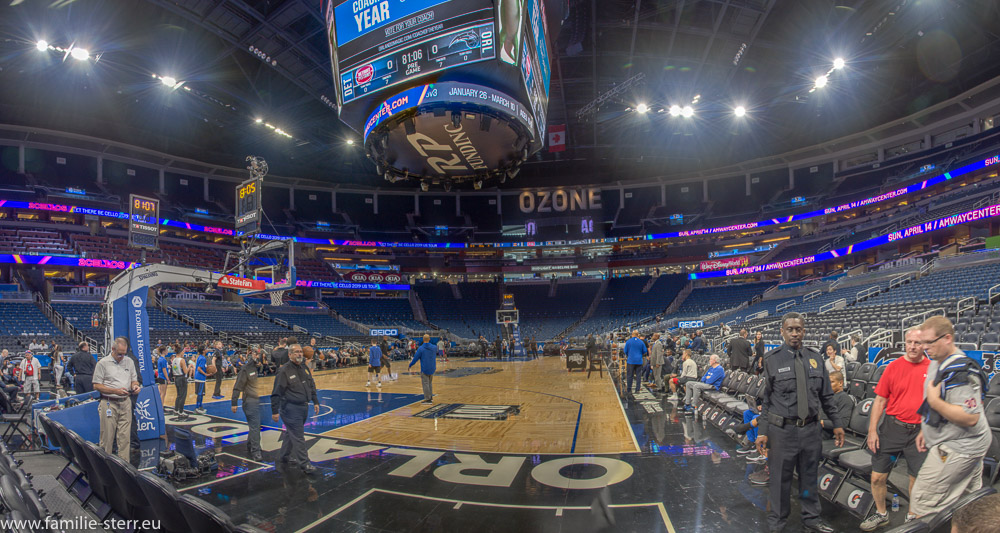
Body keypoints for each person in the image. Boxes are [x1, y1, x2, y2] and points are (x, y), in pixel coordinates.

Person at [756, 312, 845, 533]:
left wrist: (838, 423)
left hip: (811, 430)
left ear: (804, 331)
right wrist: (762, 431)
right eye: (790, 329)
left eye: (798, 329)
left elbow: (827, 397)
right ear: (782, 331)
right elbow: (766, 401)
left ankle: (812, 519)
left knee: (809, 476)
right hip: (782, 431)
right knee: (779, 481)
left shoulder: (815, 358)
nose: (794, 333)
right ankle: (777, 523)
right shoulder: (772, 359)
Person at [908, 316, 990, 520]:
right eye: (923, 342)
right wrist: (924, 427)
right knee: (968, 508)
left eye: (929, 342)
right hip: (958, 441)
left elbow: (970, 417)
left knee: (921, 502)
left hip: (960, 446)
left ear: (947, 338)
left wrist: (935, 403)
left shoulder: (960, 372)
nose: (925, 347)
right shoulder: (938, 360)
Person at [858, 328, 929, 530]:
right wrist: (872, 431)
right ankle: (881, 514)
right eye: (910, 342)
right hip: (892, 429)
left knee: (916, 478)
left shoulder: (933, 369)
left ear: (924, 344)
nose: (913, 346)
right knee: (878, 477)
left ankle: (912, 517)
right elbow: (880, 401)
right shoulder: (893, 367)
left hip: (919, 433)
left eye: (917, 342)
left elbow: (935, 403)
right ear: (904, 343)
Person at [271, 344, 320, 474]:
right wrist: (275, 411)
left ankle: (283, 456)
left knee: (291, 433)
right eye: (296, 352)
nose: (299, 354)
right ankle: (305, 464)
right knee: (298, 436)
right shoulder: (284, 371)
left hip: (303, 407)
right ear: (290, 355)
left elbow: (311, 384)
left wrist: (315, 401)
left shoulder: (304, 367)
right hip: (290, 409)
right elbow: (276, 392)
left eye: (300, 352)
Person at [92, 337, 140, 461]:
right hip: (109, 403)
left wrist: (135, 386)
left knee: (125, 438)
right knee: (107, 438)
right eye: (119, 354)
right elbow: (96, 385)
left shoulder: (129, 361)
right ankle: (105, 466)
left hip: (126, 403)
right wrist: (115, 391)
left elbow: (134, 379)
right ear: (113, 349)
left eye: (124, 354)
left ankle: (124, 467)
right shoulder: (102, 363)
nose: (122, 357)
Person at [232, 348, 262, 461]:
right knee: (255, 426)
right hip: (249, 402)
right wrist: (234, 402)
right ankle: (256, 451)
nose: (258, 356)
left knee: (254, 425)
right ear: (251, 355)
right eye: (256, 353)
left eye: (259, 354)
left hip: (256, 401)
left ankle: (251, 445)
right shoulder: (246, 369)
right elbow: (237, 386)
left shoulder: (256, 367)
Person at [409, 334, 437, 404]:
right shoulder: (434, 347)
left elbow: (415, 358)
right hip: (432, 368)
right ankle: (430, 397)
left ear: (423, 339)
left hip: (425, 368)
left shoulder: (421, 348)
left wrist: (410, 365)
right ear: (429, 339)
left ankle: (428, 399)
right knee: (429, 383)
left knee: (425, 384)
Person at [622, 330, 647, 395]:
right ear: (638, 334)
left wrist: (629, 355)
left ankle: (629, 389)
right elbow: (644, 351)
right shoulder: (641, 342)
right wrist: (639, 354)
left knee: (630, 375)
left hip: (631, 360)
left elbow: (625, 351)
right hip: (639, 361)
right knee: (638, 375)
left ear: (632, 334)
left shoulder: (628, 341)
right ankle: (637, 389)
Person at [170, 348, 190, 420]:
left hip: (176, 378)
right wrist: (190, 367)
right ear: (181, 352)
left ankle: (176, 410)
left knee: (179, 395)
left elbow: (173, 370)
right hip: (182, 378)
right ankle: (181, 411)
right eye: (183, 352)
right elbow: (185, 371)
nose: (184, 353)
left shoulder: (174, 359)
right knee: (183, 395)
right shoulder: (182, 360)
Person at [193, 346, 209, 414]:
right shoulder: (203, 358)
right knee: (200, 393)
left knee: (200, 393)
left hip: (198, 377)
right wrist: (205, 374)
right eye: (205, 349)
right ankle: (198, 408)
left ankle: (200, 407)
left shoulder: (199, 357)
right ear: (203, 351)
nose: (207, 350)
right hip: (200, 377)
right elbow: (199, 368)